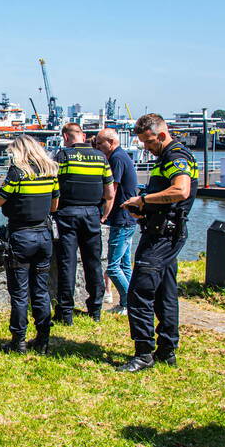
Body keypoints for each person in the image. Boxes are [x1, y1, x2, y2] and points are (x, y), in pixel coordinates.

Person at [118, 114, 198, 373]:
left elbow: (181, 191)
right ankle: (166, 349)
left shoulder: (176, 156)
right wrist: (145, 208)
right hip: (162, 230)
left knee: (139, 292)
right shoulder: (165, 157)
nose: (145, 148)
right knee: (166, 292)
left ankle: (143, 353)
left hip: (163, 236)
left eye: (149, 142)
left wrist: (144, 201)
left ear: (161, 135)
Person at [0, 135, 58, 353]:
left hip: (20, 235)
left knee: (19, 293)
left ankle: (18, 341)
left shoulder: (17, 172)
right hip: (44, 235)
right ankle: (43, 340)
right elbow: (54, 206)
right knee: (40, 290)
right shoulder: (50, 172)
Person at [50, 122, 114, 324]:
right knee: (93, 263)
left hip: (68, 214)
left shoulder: (63, 156)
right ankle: (95, 309)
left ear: (66, 137)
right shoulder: (101, 157)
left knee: (67, 263)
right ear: (83, 136)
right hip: (92, 214)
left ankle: (65, 312)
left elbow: (53, 187)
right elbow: (109, 193)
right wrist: (103, 215)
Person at [94, 128, 139, 314]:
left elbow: (111, 191)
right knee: (125, 264)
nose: (97, 147)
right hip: (129, 218)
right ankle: (129, 303)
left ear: (110, 142)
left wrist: (103, 215)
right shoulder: (122, 156)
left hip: (121, 218)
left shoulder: (116, 159)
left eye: (99, 143)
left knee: (113, 267)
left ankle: (129, 303)